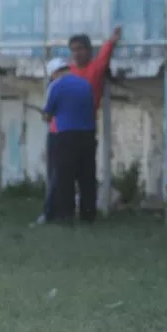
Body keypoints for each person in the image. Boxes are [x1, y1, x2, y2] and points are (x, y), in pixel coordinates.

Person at [35, 27, 121, 224]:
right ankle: (54, 212)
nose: (77, 53)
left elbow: (104, 57)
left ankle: (71, 215)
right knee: (58, 177)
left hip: (77, 130)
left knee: (80, 177)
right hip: (60, 130)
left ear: (89, 50)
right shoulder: (67, 74)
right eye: (73, 49)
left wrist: (111, 41)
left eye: (81, 48)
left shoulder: (94, 69)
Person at [42, 58, 98, 223]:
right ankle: (88, 216)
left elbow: (48, 114)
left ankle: (65, 215)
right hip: (88, 135)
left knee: (65, 177)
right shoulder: (85, 84)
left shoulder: (56, 86)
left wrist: (47, 116)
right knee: (87, 178)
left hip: (66, 136)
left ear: (54, 73)